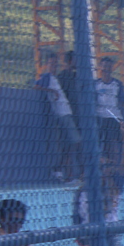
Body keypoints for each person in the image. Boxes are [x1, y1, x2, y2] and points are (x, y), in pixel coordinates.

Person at [33, 49, 81, 182]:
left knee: (69, 145)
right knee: (76, 141)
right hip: (62, 114)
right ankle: (62, 170)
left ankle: (63, 171)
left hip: (68, 112)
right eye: (51, 63)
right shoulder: (48, 77)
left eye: (55, 63)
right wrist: (51, 91)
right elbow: (36, 86)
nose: (54, 66)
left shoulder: (56, 78)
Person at [94, 57, 124, 169]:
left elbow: (122, 101)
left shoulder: (117, 84)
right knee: (100, 144)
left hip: (114, 117)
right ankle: (102, 167)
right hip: (100, 117)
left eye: (109, 66)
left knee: (113, 144)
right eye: (104, 66)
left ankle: (114, 167)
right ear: (100, 67)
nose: (106, 69)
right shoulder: (95, 84)